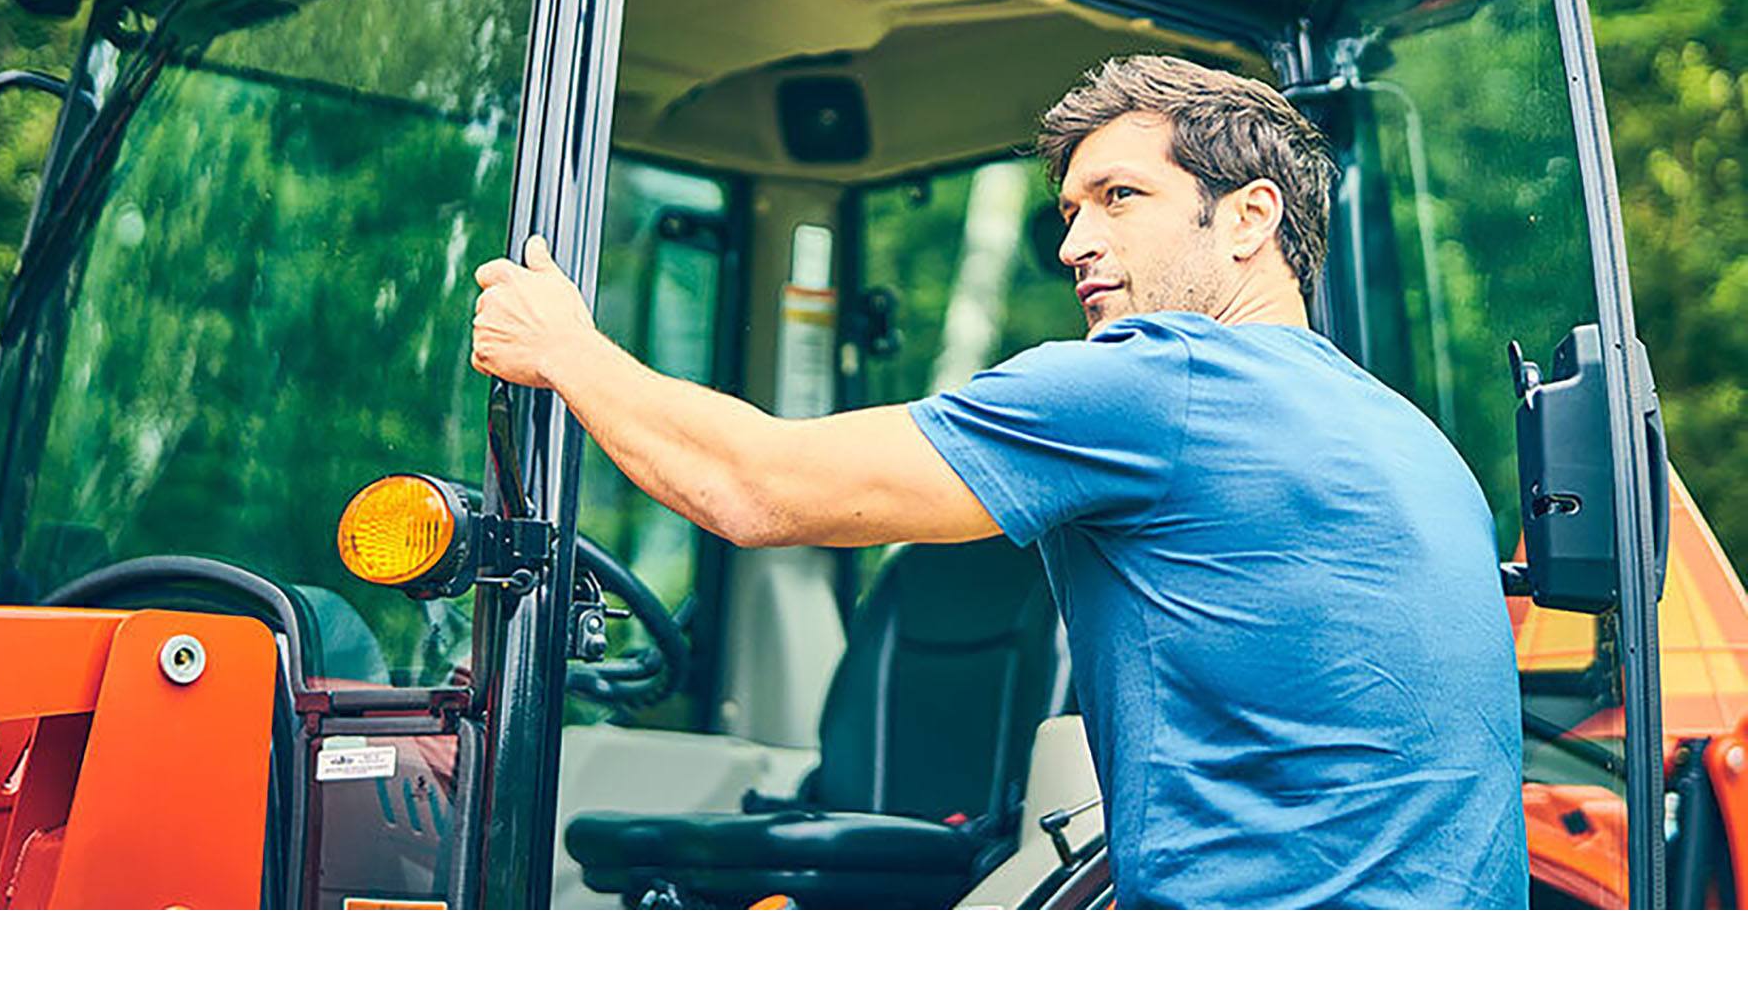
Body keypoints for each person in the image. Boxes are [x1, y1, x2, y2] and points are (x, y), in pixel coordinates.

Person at [470, 53, 1527, 909]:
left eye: (1121, 198)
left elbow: (754, 491)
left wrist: (567, 349)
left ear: (1249, 218)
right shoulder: (1416, 441)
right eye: (1070, 211)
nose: (1077, 241)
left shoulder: (1157, 383)